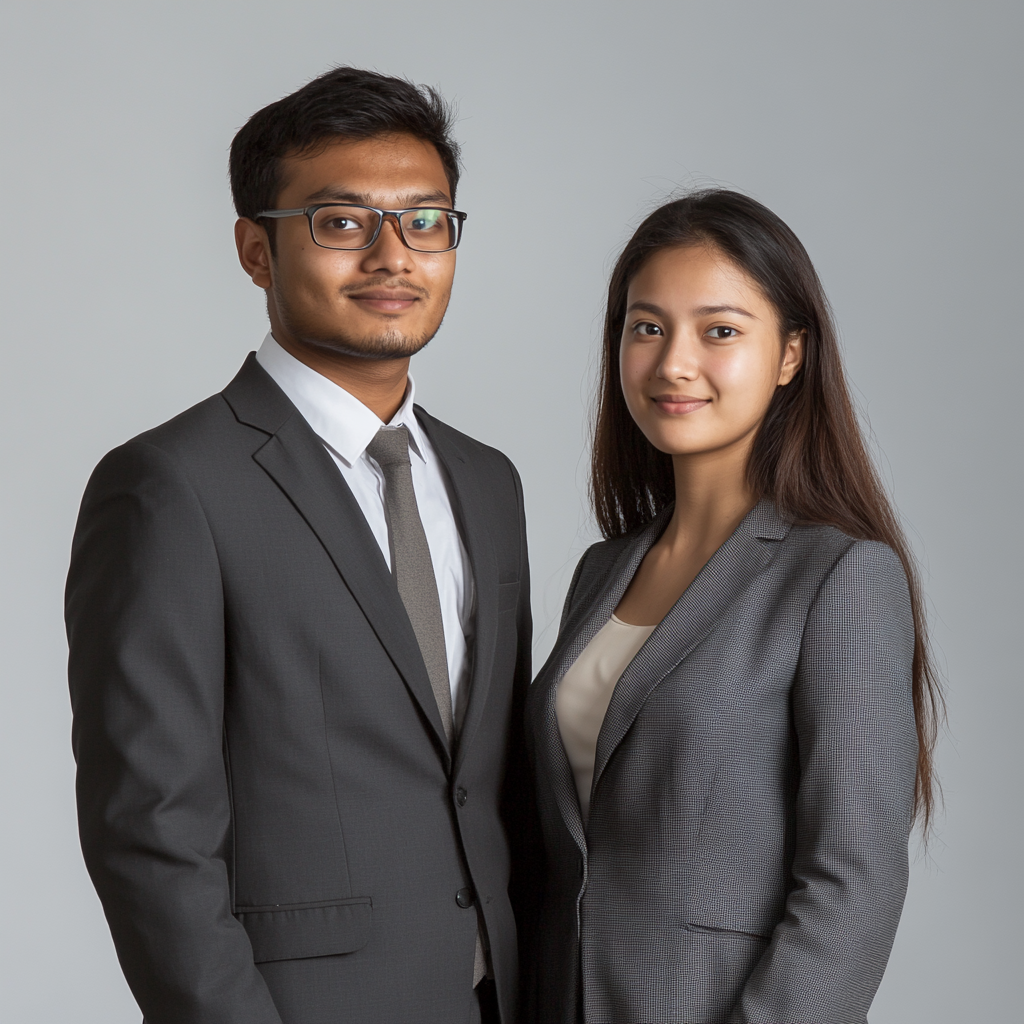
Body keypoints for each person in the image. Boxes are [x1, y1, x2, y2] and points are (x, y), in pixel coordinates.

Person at [65, 67, 534, 1024]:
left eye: (425, 220)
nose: (393, 256)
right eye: (341, 222)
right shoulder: (171, 485)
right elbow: (149, 830)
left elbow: (490, 785)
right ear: (254, 249)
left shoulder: (489, 483)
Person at [525, 189, 942, 1024]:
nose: (674, 362)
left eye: (720, 330)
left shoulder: (841, 576)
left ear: (791, 353)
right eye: (647, 328)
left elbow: (853, 881)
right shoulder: (602, 573)